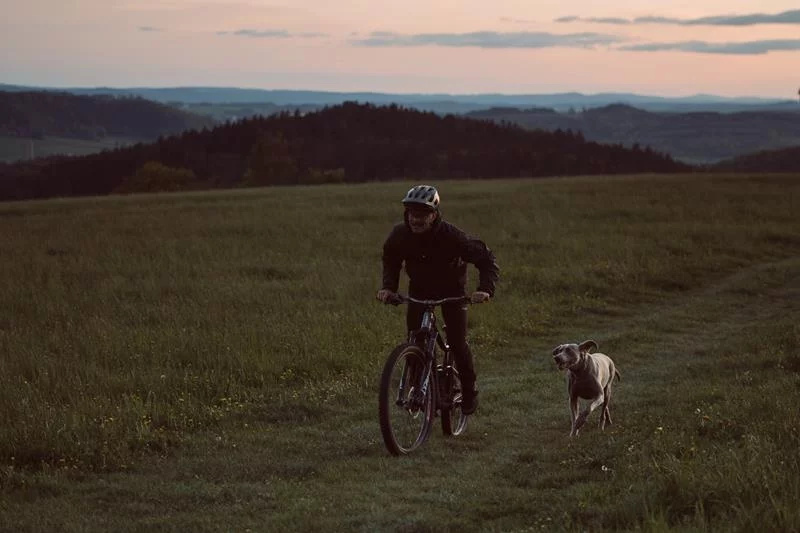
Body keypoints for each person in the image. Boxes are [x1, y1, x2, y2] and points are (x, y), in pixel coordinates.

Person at [376, 184, 499, 415]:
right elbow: (391, 260)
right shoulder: (399, 235)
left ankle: (469, 391)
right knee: (415, 341)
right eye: (412, 214)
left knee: (457, 342)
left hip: (453, 291)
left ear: (434, 215)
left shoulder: (452, 236)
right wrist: (388, 288)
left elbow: (486, 259)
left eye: (422, 214)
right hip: (419, 291)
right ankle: (420, 390)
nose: (416, 219)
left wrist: (485, 290)